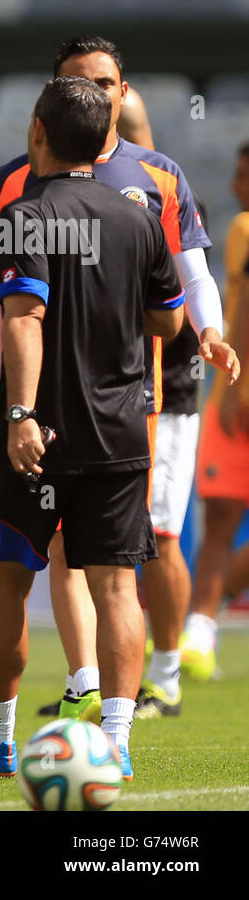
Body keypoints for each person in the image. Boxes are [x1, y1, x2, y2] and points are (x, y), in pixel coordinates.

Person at [0, 36, 237, 723]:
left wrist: (210, 333)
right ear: (54, 98)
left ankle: (166, 672)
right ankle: (87, 686)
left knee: (155, 540)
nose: (95, 93)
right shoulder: (12, 184)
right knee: (72, 551)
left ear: (124, 92)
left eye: (104, 82)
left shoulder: (158, 178)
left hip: (140, 395)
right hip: (88, 405)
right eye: (79, 84)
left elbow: (192, 275)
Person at [0, 75, 188, 782]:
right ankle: (115, 742)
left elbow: (24, 321)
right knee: (118, 585)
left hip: (41, 434)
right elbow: (170, 321)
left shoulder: (22, 214)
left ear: (36, 134)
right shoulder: (138, 217)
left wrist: (19, 414)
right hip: (119, 430)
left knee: (5, 580)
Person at [185, 141, 249, 679]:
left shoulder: (245, 228)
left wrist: (232, 393)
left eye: (244, 176)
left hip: (237, 399)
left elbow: (244, 311)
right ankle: (198, 633)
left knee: (220, 526)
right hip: (236, 400)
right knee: (221, 523)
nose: (235, 186)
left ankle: (198, 631)